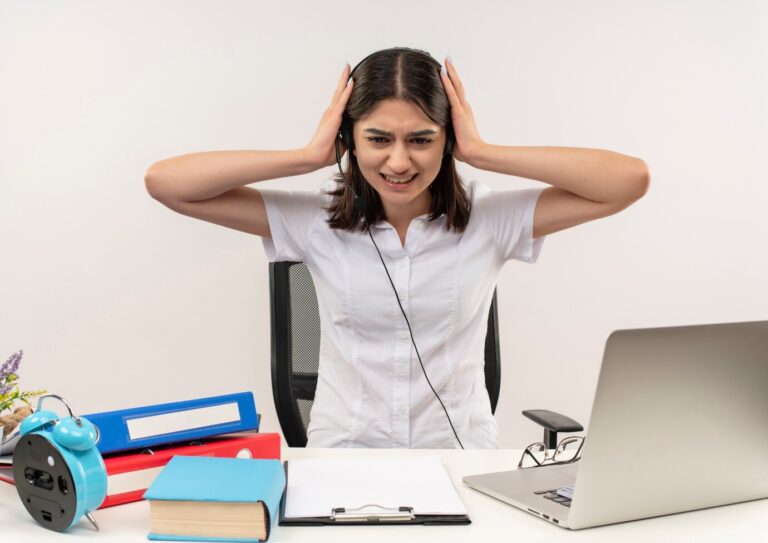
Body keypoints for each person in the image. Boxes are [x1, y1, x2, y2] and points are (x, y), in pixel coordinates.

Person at [144, 47, 650, 449]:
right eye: (379, 138)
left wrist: (483, 152)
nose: (400, 161)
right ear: (350, 139)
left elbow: (628, 181)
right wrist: (305, 157)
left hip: (458, 456)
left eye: (422, 139)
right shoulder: (313, 219)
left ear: (448, 141)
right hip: (343, 452)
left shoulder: (490, 218)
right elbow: (167, 183)